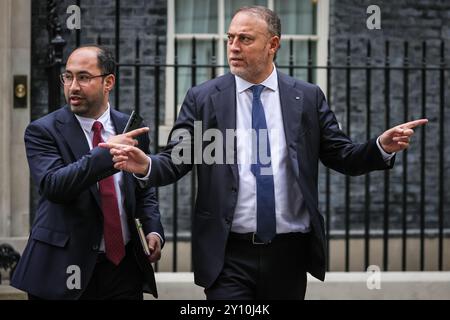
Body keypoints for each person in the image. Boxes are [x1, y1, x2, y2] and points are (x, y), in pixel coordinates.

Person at [100, 6, 427, 300]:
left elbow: (342, 155)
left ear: (273, 45)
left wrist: (380, 147)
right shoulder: (204, 98)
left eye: (245, 39)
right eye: (230, 38)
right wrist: (146, 165)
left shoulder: (307, 98)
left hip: (289, 253)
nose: (233, 47)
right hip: (228, 254)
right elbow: (176, 160)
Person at [11, 45, 164, 300]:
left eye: (83, 77)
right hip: (63, 269)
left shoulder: (131, 129)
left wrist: (152, 229)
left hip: (123, 269)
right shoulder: (43, 131)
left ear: (109, 82)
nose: (72, 86)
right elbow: (55, 186)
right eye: (68, 76)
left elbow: (143, 189)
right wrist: (106, 154)